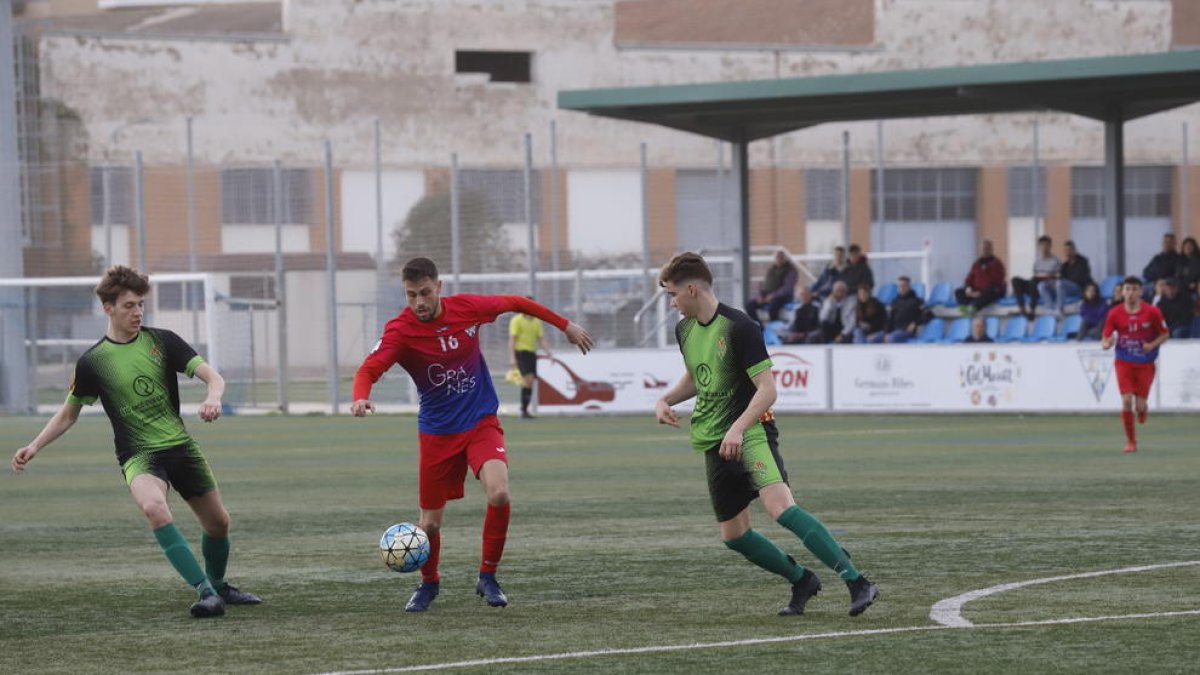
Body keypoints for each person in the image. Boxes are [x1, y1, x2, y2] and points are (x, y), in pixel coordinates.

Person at [10, 265, 260, 619]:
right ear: (108, 308)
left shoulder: (162, 341)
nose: (138, 312)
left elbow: (213, 377)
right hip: (138, 454)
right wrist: (34, 446)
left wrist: (213, 396)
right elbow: (69, 414)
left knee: (218, 523)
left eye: (140, 304)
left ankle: (219, 585)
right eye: (129, 305)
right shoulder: (93, 362)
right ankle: (205, 592)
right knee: (154, 508)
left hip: (180, 447)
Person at [351, 257, 593, 612]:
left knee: (499, 492)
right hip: (436, 433)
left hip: (480, 422)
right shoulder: (400, 330)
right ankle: (429, 584)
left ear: (439, 287)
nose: (419, 302)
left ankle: (488, 576)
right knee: (429, 523)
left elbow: (515, 302)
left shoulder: (467, 308)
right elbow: (370, 368)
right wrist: (360, 396)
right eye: (411, 295)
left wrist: (564, 324)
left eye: (425, 292)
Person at [653, 252, 879, 617]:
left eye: (672, 294)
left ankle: (858, 581)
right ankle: (802, 579)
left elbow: (767, 389)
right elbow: (697, 377)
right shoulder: (685, 330)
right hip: (715, 441)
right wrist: (664, 399)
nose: (672, 303)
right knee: (735, 536)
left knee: (781, 509)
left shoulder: (740, 327)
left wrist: (739, 428)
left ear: (691, 288)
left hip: (751, 433)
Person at [1102, 276, 1169, 453]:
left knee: (1139, 405)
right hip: (1124, 362)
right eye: (1127, 289)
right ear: (1122, 292)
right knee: (1126, 400)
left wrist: (1151, 345)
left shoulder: (1152, 312)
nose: (1131, 293)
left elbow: (1165, 334)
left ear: (1140, 292)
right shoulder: (1114, 313)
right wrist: (1106, 343)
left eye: (1134, 289)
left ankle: (1143, 408)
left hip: (1145, 363)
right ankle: (1131, 441)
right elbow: (1106, 335)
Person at [508, 301, 552, 419]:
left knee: (530, 381)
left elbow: (541, 338)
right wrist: (512, 357)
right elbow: (512, 339)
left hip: (531, 353)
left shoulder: (537, 321)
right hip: (521, 352)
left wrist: (549, 353)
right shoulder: (517, 320)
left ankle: (525, 410)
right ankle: (523, 410)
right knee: (528, 380)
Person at [1011, 236, 1060, 319]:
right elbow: (1035, 274)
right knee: (1015, 280)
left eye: (1046, 245)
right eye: (1042, 245)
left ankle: (1032, 309)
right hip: (1033, 285)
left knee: (1034, 281)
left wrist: (1041, 277)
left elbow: (1056, 277)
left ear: (1050, 246)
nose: (1044, 247)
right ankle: (1022, 308)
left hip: (1045, 286)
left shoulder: (1055, 260)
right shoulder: (1037, 261)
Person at [955, 240, 1006, 314]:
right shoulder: (976, 264)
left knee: (990, 292)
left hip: (991, 291)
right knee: (958, 291)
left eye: (987, 248)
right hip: (976, 291)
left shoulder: (997, 264)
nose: (984, 251)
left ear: (991, 249)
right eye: (983, 249)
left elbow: (996, 281)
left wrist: (980, 292)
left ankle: (973, 309)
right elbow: (969, 278)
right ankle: (964, 309)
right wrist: (968, 288)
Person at [746, 249, 798, 323]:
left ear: (785, 258)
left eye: (781, 257)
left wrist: (772, 296)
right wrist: (760, 295)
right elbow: (764, 284)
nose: (779, 259)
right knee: (749, 305)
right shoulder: (771, 270)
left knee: (773, 309)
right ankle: (759, 327)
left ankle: (774, 329)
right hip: (767, 295)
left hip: (782, 297)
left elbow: (787, 288)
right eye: (777, 257)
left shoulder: (791, 270)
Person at [883, 276, 925, 344]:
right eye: (900, 286)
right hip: (895, 330)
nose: (902, 288)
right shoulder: (895, 301)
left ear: (909, 286)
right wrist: (886, 333)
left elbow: (928, 314)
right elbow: (890, 318)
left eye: (904, 286)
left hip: (907, 331)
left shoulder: (917, 301)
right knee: (877, 337)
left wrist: (915, 323)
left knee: (892, 338)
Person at [1058, 240, 1094, 307]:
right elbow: (1062, 278)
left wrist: (1067, 282)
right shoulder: (1064, 265)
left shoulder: (1082, 261)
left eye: (1069, 250)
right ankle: (1052, 310)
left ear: (1074, 250)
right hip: (1069, 289)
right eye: (1065, 250)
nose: (1067, 252)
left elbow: (1082, 278)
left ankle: (1059, 308)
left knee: (1060, 283)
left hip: (1080, 288)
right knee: (1054, 284)